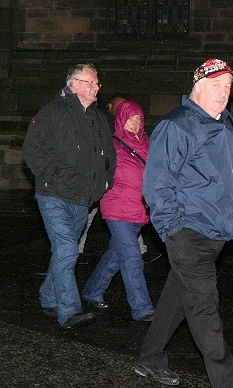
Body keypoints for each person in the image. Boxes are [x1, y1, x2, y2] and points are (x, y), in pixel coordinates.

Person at [135, 59, 233, 388]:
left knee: (178, 297)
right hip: (189, 230)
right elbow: (156, 184)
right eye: (216, 86)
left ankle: (150, 358)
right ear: (198, 88)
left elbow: (216, 171)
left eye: (228, 88)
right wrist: (173, 229)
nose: (223, 93)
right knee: (204, 305)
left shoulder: (226, 123)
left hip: (216, 229)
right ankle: (229, 380)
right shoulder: (177, 125)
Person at [22, 63, 116, 329]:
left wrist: (104, 182)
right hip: (54, 194)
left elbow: (110, 156)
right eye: (91, 83)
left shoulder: (98, 118)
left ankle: (48, 296)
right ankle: (70, 311)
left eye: (97, 84)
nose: (96, 88)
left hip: (83, 199)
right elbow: (31, 149)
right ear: (74, 84)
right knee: (66, 249)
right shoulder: (53, 112)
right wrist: (51, 175)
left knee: (65, 252)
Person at [81, 100, 155, 322]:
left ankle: (92, 290)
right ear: (121, 119)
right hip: (117, 209)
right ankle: (142, 308)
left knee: (117, 253)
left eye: (138, 118)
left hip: (140, 209)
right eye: (130, 118)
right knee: (132, 257)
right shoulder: (111, 144)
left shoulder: (147, 143)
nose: (134, 123)